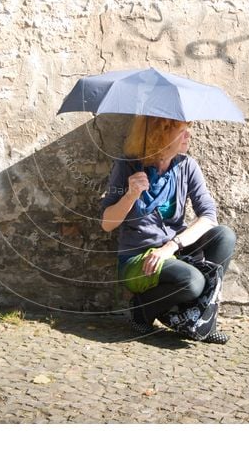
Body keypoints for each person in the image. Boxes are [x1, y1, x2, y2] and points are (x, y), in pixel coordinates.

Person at [100, 115, 236, 342]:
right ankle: (142, 310)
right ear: (161, 134)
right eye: (181, 131)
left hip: (174, 250)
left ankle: (201, 321)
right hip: (137, 259)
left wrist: (170, 247)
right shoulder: (127, 166)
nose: (188, 135)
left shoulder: (186, 165)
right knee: (192, 281)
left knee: (224, 236)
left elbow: (209, 217)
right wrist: (131, 195)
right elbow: (107, 224)